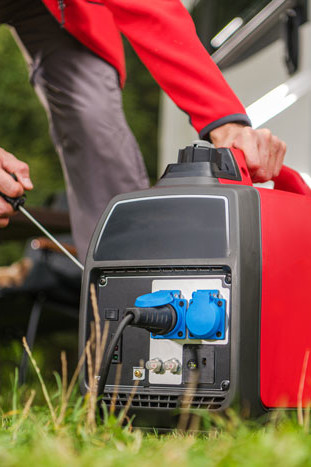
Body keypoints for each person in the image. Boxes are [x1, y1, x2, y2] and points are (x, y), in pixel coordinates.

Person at [0, 0, 286, 261]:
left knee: (92, 117)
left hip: (54, 10)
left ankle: (127, 281)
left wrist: (226, 121)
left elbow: (151, 8)